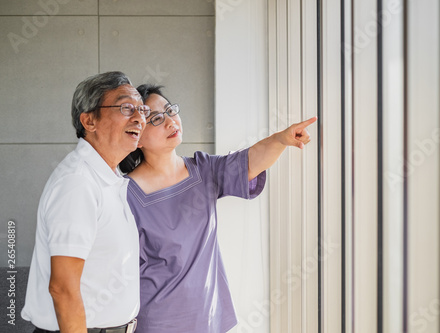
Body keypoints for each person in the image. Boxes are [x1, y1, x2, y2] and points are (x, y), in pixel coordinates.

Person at [119, 84, 317, 333]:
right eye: (157, 119)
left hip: (207, 319)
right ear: (137, 134)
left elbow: (249, 161)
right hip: (157, 322)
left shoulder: (204, 170)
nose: (170, 121)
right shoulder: (124, 194)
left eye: (170, 110)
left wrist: (281, 139)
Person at [21, 71, 151, 333]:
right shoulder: (78, 183)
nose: (139, 118)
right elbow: (63, 288)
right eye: (127, 107)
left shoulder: (108, 177)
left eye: (142, 110)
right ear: (89, 120)